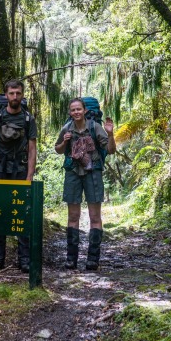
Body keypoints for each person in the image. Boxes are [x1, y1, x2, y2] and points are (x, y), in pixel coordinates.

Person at [0, 80, 37, 273]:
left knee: (22, 213)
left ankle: (25, 259)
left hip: (19, 170)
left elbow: (32, 150)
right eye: (11, 93)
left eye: (18, 93)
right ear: (6, 95)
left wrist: (29, 176)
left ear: (22, 95)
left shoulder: (28, 119)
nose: (15, 97)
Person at [54, 98, 116, 271]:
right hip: (73, 173)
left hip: (93, 173)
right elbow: (58, 150)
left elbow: (111, 150)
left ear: (85, 110)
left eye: (79, 109)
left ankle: (92, 259)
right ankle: (71, 259)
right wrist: (65, 142)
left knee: (95, 217)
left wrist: (110, 134)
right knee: (73, 217)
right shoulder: (66, 128)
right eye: (73, 110)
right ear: (69, 112)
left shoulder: (95, 127)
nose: (76, 112)